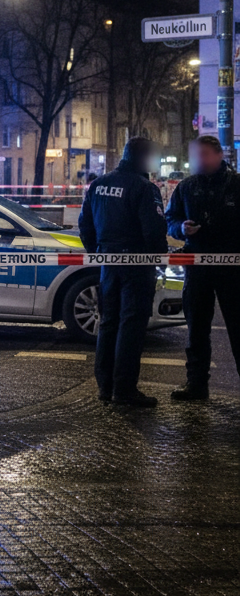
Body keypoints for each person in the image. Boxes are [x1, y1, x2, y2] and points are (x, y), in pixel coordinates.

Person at [78, 137, 167, 407]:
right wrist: (159, 258)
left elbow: (85, 224)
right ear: (143, 158)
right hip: (137, 265)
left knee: (108, 322)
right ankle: (124, 388)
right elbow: (153, 229)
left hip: (108, 263)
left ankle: (105, 386)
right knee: (132, 324)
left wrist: (97, 251)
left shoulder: (99, 184)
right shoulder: (144, 188)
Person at [165, 135, 240, 400]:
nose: (201, 161)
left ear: (219, 155)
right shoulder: (187, 186)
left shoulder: (236, 185)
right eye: (197, 156)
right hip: (197, 267)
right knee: (196, 328)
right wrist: (181, 228)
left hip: (232, 269)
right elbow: (170, 218)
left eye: (205, 154)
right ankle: (196, 384)